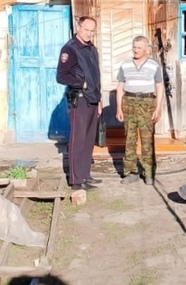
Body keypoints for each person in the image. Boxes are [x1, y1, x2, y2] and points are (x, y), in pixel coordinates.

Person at [56, 16, 103, 191]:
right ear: (78, 27)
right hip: (80, 100)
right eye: (86, 29)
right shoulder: (70, 49)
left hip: (93, 99)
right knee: (78, 140)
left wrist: (99, 99)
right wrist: (80, 83)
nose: (89, 33)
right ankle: (76, 180)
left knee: (89, 140)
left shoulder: (91, 48)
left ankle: (85, 175)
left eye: (92, 31)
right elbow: (61, 76)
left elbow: (96, 76)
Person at [115, 35, 165, 185]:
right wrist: (119, 108)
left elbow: (159, 87)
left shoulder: (154, 65)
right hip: (129, 103)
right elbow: (120, 87)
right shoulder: (125, 65)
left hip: (147, 104)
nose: (135, 50)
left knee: (147, 140)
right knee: (129, 139)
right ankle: (131, 172)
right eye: (134, 47)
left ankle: (149, 173)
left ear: (146, 49)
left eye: (139, 48)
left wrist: (158, 108)